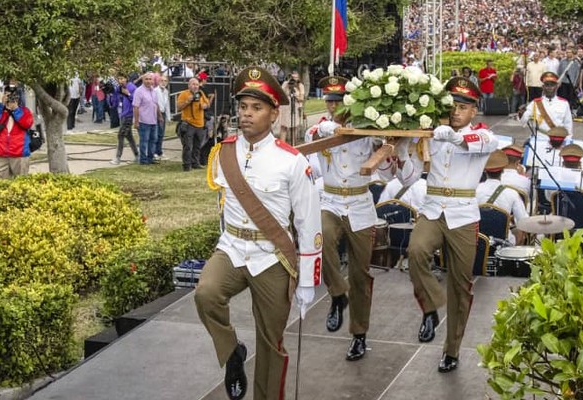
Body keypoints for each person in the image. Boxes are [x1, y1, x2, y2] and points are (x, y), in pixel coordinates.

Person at [195, 66, 322, 400]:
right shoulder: (223, 152)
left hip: (272, 257)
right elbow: (224, 208)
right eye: (243, 107)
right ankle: (232, 354)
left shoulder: (292, 162)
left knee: (271, 342)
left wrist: (307, 280)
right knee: (206, 294)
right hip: (233, 248)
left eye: (256, 108)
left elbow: (309, 223)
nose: (247, 114)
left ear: (273, 112)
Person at [307, 76, 418, 361]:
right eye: (330, 101)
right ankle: (336, 294)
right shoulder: (320, 129)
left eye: (339, 101)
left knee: (361, 273)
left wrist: (393, 150)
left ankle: (359, 334)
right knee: (322, 237)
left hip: (359, 203)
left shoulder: (369, 133)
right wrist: (328, 128)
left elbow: (391, 176)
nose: (333, 107)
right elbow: (313, 142)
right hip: (331, 200)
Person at [406, 76, 497, 373]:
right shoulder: (431, 133)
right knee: (416, 251)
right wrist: (400, 150)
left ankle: (452, 348)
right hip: (433, 209)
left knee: (461, 285)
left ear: (474, 111)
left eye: (462, 107)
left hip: (462, 213)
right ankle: (431, 307)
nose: (456, 112)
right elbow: (410, 175)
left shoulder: (483, 135)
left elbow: (478, 142)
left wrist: (451, 136)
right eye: (451, 106)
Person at [476, 150, 528, 244]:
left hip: (477, 241)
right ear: (503, 170)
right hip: (503, 243)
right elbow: (523, 221)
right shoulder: (512, 193)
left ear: (485, 170)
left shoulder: (475, 190)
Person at [0, 86, 34, 182]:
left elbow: (27, 123)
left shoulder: (24, 111)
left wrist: (16, 109)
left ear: (18, 97)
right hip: (1, 153)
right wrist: (1, 105)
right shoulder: (1, 110)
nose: (11, 98)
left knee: (21, 184)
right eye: (8, 95)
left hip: (19, 154)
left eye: (14, 96)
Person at [519, 72, 573, 139]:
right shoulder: (535, 103)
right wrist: (522, 114)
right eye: (547, 85)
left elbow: (568, 124)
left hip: (558, 139)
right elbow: (523, 122)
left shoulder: (564, 103)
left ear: (556, 87)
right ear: (543, 87)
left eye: (552, 85)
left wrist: (568, 140)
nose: (549, 87)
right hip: (539, 138)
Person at [176, 78, 210, 171]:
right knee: (188, 146)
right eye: (193, 84)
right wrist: (187, 101)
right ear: (189, 85)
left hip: (200, 124)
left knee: (197, 146)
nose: (195, 86)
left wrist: (205, 106)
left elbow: (208, 104)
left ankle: (195, 163)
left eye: (197, 84)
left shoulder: (201, 93)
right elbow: (178, 108)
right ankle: (187, 165)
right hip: (188, 123)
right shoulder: (184, 94)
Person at [133, 72, 163, 165]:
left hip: (153, 120)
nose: (148, 81)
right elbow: (136, 107)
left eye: (150, 79)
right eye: (146, 79)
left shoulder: (153, 90)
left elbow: (156, 104)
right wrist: (136, 121)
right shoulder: (139, 91)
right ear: (142, 80)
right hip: (143, 120)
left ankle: (150, 158)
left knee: (153, 139)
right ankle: (143, 159)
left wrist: (159, 116)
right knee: (144, 141)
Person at [110, 74, 139, 165]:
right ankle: (137, 155)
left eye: (122, 78)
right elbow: (113, 104)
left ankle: (118, 157)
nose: (120, 81)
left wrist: (128, 94)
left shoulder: (132, 87)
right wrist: (111, 93)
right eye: (118, 79)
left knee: (121, 135)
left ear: (126, 78)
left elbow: (136, 101)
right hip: (122, 115)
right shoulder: (118, 89)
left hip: (129, 115)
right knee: (129, 136)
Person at [278, 71, 305, 142]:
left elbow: (301, 99)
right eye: (293, 77)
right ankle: (282, 146)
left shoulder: (300, 85)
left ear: (298, 78)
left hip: (295, 108)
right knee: (284, 127)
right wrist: (287, 85)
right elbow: (280, 93)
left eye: (296, 77)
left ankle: (293, 145)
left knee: (293, 127)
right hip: (286, 108)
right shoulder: (285, 84)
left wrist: (295, 95)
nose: (294, 79)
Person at [155, 74, 171, 161]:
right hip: (156, 113)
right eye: (162, 81)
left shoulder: (166, 91)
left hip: (163, 113)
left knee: (161, 134)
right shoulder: (155, 91)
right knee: (156, 133)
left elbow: (167, 104)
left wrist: (168, 117)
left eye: (165, 81)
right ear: (158, 81)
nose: (163, 83)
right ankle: (155, 151)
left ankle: (159, 151)